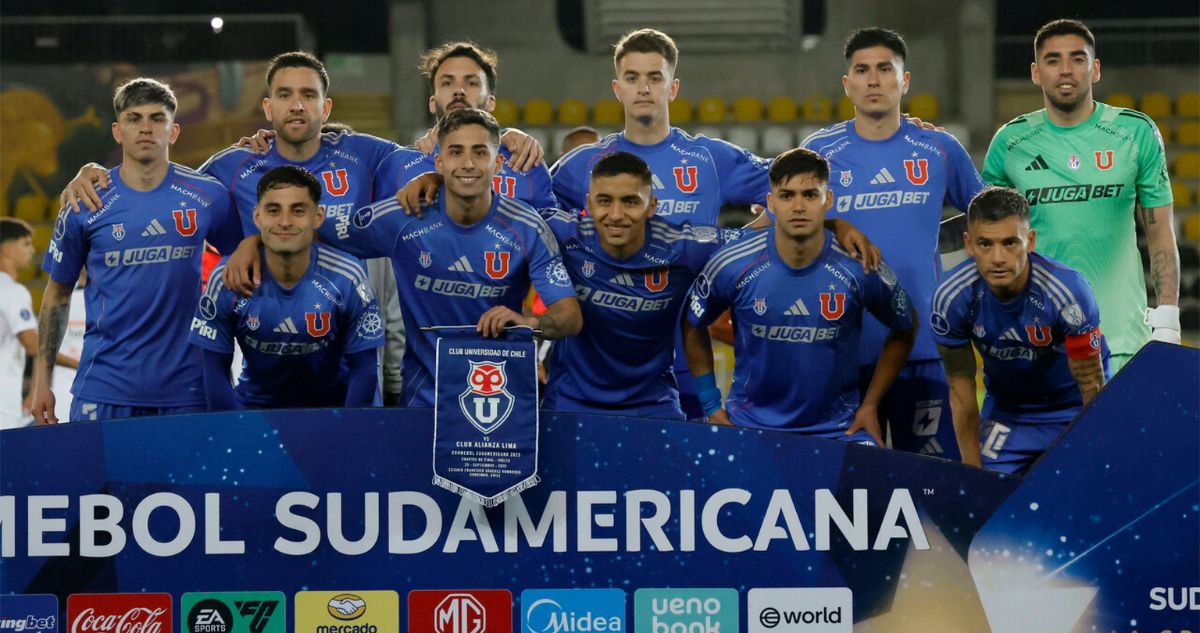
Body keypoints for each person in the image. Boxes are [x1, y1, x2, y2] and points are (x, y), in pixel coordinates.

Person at [309, 108, 579, 406]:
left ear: (499, 163)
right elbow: (313, 228)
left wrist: (528, 322)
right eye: (455, 152)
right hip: (423, 401)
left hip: (502, 400)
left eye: (480, 152)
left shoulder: (527, 228)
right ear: (439, 162)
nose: (467, 164)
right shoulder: (402, 218)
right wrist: (252, 241)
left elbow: (569, 316)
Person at [800, 27, 984, 460]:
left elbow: (989, 221)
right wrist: (834, 224)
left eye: (885, 69)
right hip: (841, 352)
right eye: (862, 70)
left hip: (924, 350)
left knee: (932, 496)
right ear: (848, 85)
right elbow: (783, 228)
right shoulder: (819, 152)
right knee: (846, 497)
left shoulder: (938, 149)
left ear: (905, 81)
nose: (874, 79)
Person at [31, 78, 242, 423]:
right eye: (134, 118)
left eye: (157, 119)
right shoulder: (84, 203)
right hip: (103, 389)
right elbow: (56, 295)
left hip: (188, 390)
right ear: (118, 131)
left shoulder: (209, 197)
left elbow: (244, 263)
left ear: (174, 131)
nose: (146, 128)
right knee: (99, 480)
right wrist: (42, 381)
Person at [982, 19, 1179, 373]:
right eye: (1053, 60)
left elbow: (1160, 229)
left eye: (1077, 58)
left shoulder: (1135, 133)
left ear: (1095, 68)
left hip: (1120, 339)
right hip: (1038, 340)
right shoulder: (1009, 143)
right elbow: (987, 234)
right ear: (1035, 72)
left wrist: (1167, 317)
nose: (1065, 70)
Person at [682, 148, 916, 444]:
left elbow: (905, 324)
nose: (798, 206)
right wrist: (711, 404)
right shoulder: (733, 263)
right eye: (786, 195)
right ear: (770, 202)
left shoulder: (860, 265)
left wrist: (870, 404)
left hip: (839, 432)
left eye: (809, 195)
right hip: (750, 429)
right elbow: (693, 322)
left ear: (827, 200)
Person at [541, 152, 749, 419]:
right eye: (605, 201)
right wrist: (511, 135)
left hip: (653, 405)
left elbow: (762, 242)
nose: (616, 215)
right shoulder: (561, 233)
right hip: (569, 403)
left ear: (652, 205)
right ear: (589, 204)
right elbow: (496, 215)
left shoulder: (685, 248)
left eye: (630, 201)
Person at [931, 187, 1108, 474]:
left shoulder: (1068, 293)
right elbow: (961, 391)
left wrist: (1093, 454)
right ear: (969, 243)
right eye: (985, 244)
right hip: (1010, 414)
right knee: (983, 497)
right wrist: (972, 472)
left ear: (1030, 241)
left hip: (1074, 409)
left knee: (1086, 486)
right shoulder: (951, 299)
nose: (998, 257)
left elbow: (1092, 386)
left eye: (1010, 242)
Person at [189, 166, 383, 409]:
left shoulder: (348, 277)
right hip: (256, 411)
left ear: (318, 216)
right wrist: (236, 429)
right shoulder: (228, 278)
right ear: (257, 216)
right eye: (273, 210)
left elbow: (364, 371)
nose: (285, 221)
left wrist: (346, 428)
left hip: (331, 411)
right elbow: (214, 370)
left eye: (298, 210)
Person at [376, 41, 553, 208]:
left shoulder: (524, 160)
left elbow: (548, 232)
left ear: (491, 102)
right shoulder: (399, 167)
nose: (459, 91)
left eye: (472, 83)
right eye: (447, 83)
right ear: (432, 102)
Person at [0, 218, 39, 429]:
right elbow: (34, 346)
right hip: (3, 405)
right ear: (7, 249)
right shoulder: (12, 292)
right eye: (25, 243)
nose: (32, 251)